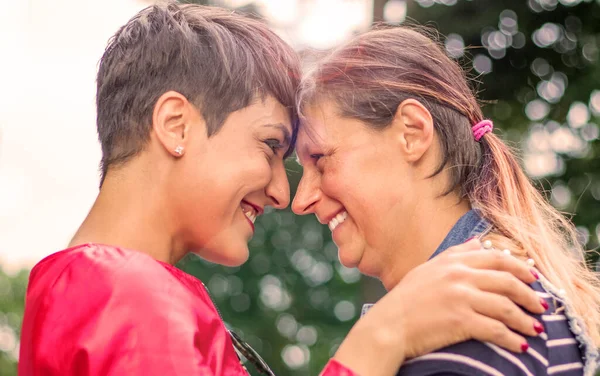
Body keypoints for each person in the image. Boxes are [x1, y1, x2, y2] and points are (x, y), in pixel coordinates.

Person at [19, 4, 546, 376]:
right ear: (176, 125)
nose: (282, 193)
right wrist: (384, 334)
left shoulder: (101, 287)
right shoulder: (123, 290)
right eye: (270, 147)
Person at [293, 25, 600, 376]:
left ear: (412, 133)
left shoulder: (473, 322)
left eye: (319, 158)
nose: (301, 200)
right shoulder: (481, 302)